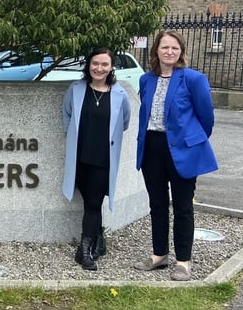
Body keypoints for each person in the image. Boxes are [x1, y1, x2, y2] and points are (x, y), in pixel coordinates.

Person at [133, 30, 218, 281]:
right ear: (156, 51)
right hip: (152, 147)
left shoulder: (193, 78)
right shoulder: (146, 80)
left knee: (182, 207)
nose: (169, 52)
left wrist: (192, 139)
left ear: (181, 52)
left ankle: (183, 261)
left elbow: (206, 117)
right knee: (157, 205)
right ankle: (159, 255)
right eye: (164, 47)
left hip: (182, 150)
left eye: (174, 48)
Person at [62, 48, 131, 270]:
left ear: (111, 67)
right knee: (90, 201)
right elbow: (67, 118)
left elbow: (125, 122)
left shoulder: (119, 94)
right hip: (80, 158)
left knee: (93, 204)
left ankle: (84, 251)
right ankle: (99, 241)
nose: (99, 68)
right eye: (95, 63)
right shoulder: (76, 89)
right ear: (88, 65)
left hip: (103, 160)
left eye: (104, 64)